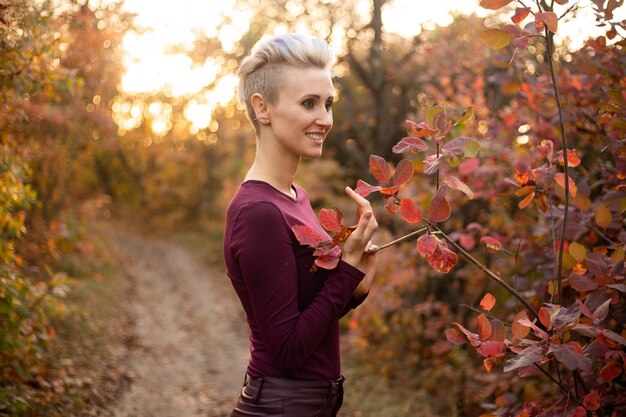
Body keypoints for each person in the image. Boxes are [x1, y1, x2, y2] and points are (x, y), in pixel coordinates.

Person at [223, 33, 378, 417]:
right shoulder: (258, 212)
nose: (324, 119)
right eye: (308, 103)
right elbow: (288, 351)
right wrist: (346, 271)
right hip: (279, 406)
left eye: (328, 104)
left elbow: (306, 322)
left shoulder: (295, 197)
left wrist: (357, 287)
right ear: (263, 108)